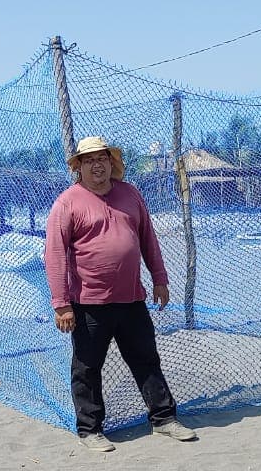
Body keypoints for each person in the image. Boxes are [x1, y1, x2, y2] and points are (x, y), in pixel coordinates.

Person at [44, 135, 197, 452]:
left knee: (146, 360)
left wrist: (160, 278)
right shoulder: (67, 203)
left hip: (132, 299)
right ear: (79, 167)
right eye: (89, 160)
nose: (97, 165)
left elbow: (147, 239)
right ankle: (90, 430)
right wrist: (61, 305)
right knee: (87, 368)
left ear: (111, 163)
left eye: (102, 159)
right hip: (88, 305)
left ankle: (164, 419)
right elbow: (55, 255)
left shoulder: (130, 195)